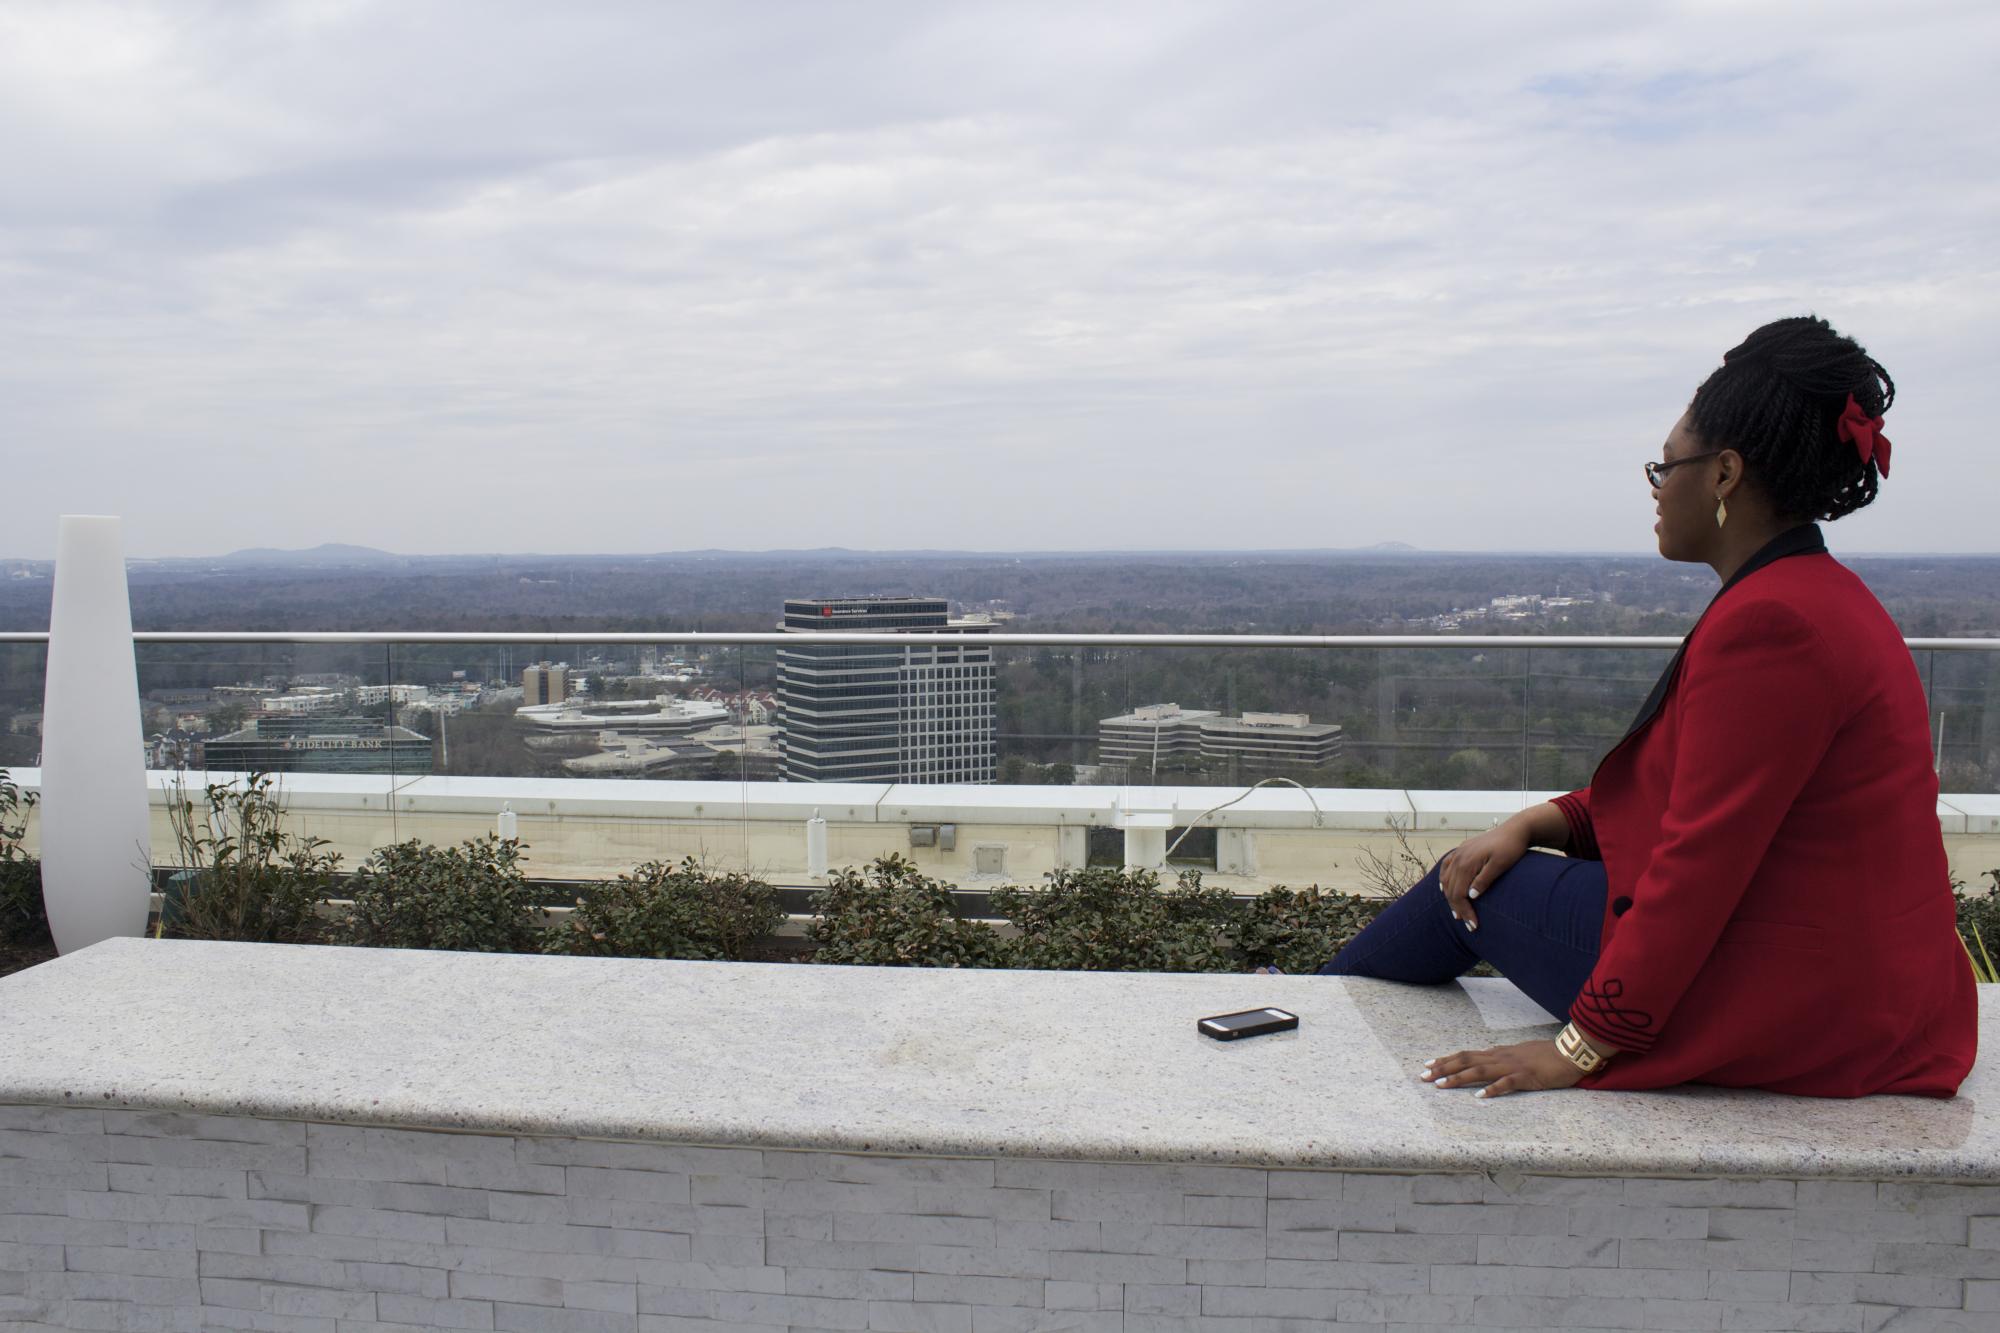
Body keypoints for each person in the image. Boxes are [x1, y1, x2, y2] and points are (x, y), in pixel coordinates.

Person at [1280, 316, 1977, 1100]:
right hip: (1858, 979)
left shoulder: (1771, 625)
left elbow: (1699, 866)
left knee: (1461, 884)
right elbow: (1697, 798)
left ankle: (1299, 1029)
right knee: (1487, 860)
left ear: (1723, 475)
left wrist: (1581, 1045)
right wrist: (1533, 823)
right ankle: (1311, 1009)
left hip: (1794, 1000)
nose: (1655, 488)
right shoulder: (1826, 598)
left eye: (1664, 465)